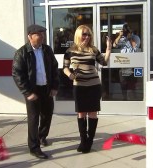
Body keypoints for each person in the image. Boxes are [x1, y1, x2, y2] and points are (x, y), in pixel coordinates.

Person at [12, 24, 59, 159]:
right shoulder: (21, 53)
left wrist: (55, 86)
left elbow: (54, 69)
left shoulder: (47, 50)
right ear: (30, 36)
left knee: (47, 115)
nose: (42, 36)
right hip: (33, 90)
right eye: (39, 34)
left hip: (47, 88)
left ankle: (42, 136)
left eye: (43, 34)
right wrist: (27, 92)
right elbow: (17, 74)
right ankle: (34, 147)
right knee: (33, 119)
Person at [63, 25, 112, 153]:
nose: (87, 37)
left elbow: (104, 63)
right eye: (84, 34)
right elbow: (65, 67)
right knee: (81, 113)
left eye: (89, 34)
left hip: (94, 85)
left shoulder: (93, 50)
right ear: (78, 35)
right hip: (79, 86)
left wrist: (108, 48)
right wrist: (70, 75)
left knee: (92, 113)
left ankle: (89, 141)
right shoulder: (70, 51)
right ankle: (83, 140)